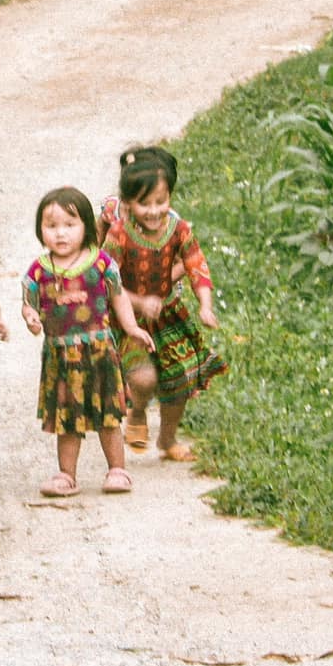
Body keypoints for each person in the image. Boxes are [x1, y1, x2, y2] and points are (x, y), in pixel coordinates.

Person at [23, 186, 151, 498]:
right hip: (61, 357)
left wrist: (132, 327)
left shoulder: (101, 263)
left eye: (70, 224)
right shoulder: (38, 271)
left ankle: (117, 470)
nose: (60, 234)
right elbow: (29, 304)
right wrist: (31, 319)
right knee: (67, 418)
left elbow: (118, 298)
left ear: (87, 228)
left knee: (108, 415)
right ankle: (67, 475)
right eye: (51, 226)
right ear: (40, 230)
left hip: (99, 352)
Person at [99, 147, 225, 460]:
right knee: (143, 378)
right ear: (128, 204)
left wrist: (205, 305)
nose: (154, 211)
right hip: (128, 318)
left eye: (161, 201)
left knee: (179, 380)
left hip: (170, 316)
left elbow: (196, 263)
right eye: (145, 203)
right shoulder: (119, 234)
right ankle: (138, 409)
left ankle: (167, 440)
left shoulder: (179, 230)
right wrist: (139, 302)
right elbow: (105, 279)